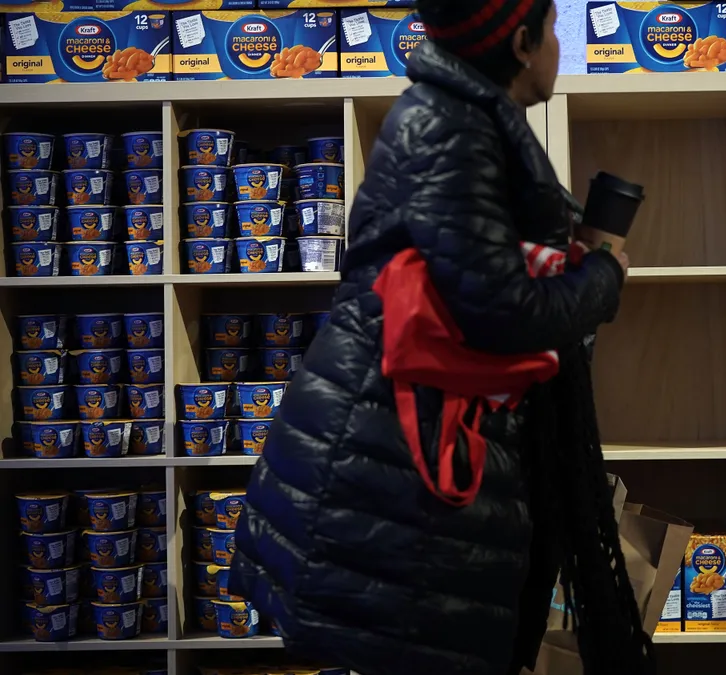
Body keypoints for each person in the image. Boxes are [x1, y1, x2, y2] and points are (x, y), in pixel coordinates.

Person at [229, 1, 654, 674]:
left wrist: (565, 257)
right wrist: (603, 275)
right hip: (394, 463)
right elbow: (498, 310)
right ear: (521, 43)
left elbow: (474, 271)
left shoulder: (467, 119)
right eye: (552, 29)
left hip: (406, 450)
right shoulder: (447, 126)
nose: (558, 46)